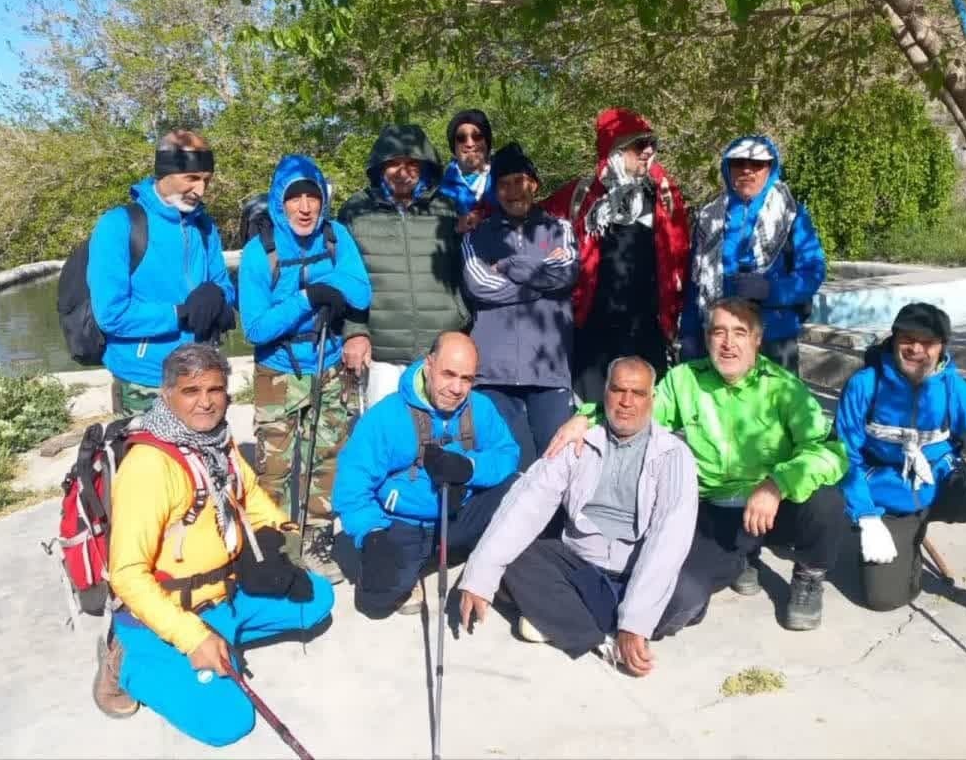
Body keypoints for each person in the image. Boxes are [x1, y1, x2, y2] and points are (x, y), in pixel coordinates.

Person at [549, 298, 847, 631]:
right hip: (710, 512)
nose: (728, 343)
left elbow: (830, 451)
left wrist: (777, 484)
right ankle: (741, 560)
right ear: (707, 338)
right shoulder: (684, 380)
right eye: (719, 332)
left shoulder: (784, 388)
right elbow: (638, 412)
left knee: (826, 501)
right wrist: (586, 418)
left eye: (739, 333)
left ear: (757, 340)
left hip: (771, 507)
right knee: (677, 595)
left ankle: (808, 575)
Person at [93, 344, 334, 747]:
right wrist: (192, 639)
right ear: (167, 394)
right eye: (191, 391)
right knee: (229, 721)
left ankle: (222, 637)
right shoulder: (149, 466)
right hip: (168, 613)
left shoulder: (217, 440)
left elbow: (250, 495)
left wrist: (280, 537)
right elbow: (127, 576)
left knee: (318, 598)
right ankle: (128, 662)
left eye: (215, 389)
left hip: (224, 595)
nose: (205, 402)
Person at [459, 356, 706, 676]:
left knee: (690, 595)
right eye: (618, 390)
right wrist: (480, 577)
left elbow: (669, 537)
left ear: (652, 399)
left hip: (633, 569)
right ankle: (602, 637)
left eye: (638, 393)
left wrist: (635, 620)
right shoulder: (578, 440)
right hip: (579, 564)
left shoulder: (673, 454)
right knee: (512, 561)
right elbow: (528, 502)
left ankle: (570, 619)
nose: (626, 402)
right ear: (604, 393)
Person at [835, 302, 966, 632]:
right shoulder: (864, 386)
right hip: (889, 499)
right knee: (883, 599)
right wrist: (865, 515)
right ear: (894, 339)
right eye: (907, 339)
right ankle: (907, 546)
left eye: (927, 342)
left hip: (943, 486)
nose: (916, 349)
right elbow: (844, 457)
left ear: (942, 346)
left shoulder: (952, 389)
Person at [239, 154, 372, 583]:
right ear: (279, 202)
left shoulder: (336, 236)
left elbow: (360, 291)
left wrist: (328, 288)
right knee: (275, 467)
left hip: (329, 363)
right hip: (278, 371)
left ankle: (316, 540)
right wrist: (308, 298)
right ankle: (275, 545)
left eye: (312, 197)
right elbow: (256, 327)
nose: (304, 207)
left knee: (328, 457)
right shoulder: (260, 252)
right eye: (294, 198)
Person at [331, 331, 519, 617]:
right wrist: (371, 533)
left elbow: (507, 453)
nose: (457, 388)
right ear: (429, 365)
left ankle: (487, 564)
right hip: (407, 522)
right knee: (375, 601)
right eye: (448, 374)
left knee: (520, 488)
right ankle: (416, 561)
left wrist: (469, 467)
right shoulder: (387, 415)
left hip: (458, 514)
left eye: (467, 379)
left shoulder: (480, 407)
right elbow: (352, 483)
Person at [540, 107, 690, 403]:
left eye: (652, 144)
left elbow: (681, 256)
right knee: (591, 415)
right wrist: (480, 213)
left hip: (646, 331)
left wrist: (674, 317)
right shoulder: (581, 195)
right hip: (593, 334)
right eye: (639, 144)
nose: (648, 151)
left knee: (644, 414)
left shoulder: (663, 196)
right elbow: (528, 218)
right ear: (615, 149)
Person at [88, 130, 237, 415]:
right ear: (164, 172)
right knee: (145, 448)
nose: (200, 190)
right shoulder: (118, 225)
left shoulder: (204, 226)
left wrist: (217, 295)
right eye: (191, 178)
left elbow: (225, 287)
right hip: (145, 382)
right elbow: (110, 314)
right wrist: (180, 313)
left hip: (204, 376)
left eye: (206, 180)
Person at [462, 142, 577, 469]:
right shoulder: (476, 235)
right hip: (493, 374)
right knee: (508, 467)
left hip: (549, 371)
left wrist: (508, 265)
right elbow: (479, 284)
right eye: (504, 184)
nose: (513, 191)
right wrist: (538, 279)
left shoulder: (560, 229)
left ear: (534, 184)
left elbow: (565, 272)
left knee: (555, 466)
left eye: (519, 181)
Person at [337, 124, 469, 408]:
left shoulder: (446, 209)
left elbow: (465, 271)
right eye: (393, 163)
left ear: (425, 167)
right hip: (380, 353)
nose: (402, 171)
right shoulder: (356, 211)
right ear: (379, 167)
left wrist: (463, 320)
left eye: (412, 164)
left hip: (439, 350)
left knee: (441, 432)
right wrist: (355, 332)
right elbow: (344, 279)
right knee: (386, 431)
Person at [681, 135, 826, 375]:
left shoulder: (791, 215)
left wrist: (771, 290)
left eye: (757, 164)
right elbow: (694, 283)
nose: (747, 170)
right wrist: (689, 335)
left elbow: (813, 271)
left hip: (773, 339)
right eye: (738, 163)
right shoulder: (709, 218)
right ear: (727, 168)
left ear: (771, 168)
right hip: (719, 338)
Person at [438, 107, 495, 229]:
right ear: (454, 146)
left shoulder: (505, 180)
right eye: (461, 138)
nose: (469, 144)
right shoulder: (437, 190)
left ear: (487, 142)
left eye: (477, 136)